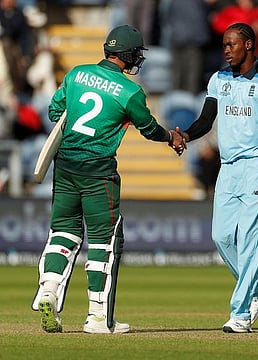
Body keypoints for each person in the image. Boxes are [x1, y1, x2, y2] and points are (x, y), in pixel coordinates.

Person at [31, 25, 184, 334]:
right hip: (98, 172)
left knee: (63, 232)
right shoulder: (130, 91)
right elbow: (149, 129)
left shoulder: (76, 74)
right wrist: (171, 137)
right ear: (128, 55)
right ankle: (98, 318)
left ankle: (48, 291)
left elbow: (54, 111)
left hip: (65, 167)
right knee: (104, 241)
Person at [175, 22, 258, 333]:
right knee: (222, 237)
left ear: (249, 45)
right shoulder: (219, 78)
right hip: (229, 168)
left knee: (249, 240)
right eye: (224, 44)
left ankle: (239, 314)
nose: (226, 49)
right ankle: (256, 287)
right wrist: (185, 134)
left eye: (232, 44)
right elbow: (205, 120)